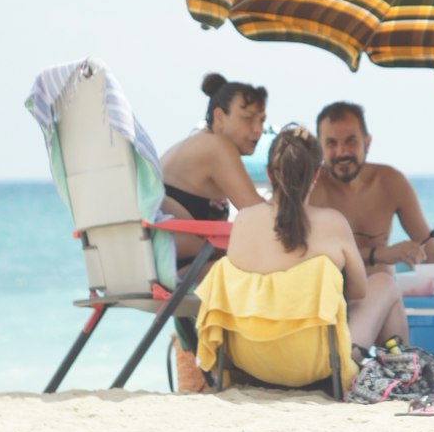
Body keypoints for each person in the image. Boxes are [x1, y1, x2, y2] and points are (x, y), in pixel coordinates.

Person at [196, 125, 406, 391]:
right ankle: (404, 374)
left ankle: (400, 373)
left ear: (270, 175)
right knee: (385, 284)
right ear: (316, 174)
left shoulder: (244, 219)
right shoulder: (333, 222)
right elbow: (358, 290)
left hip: (249, 362)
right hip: (317, 364)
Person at [311, 99, 434, 270]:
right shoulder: (311, 189)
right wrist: (379, 253)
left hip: (383, 291)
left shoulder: (391, 182)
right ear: (319, 148)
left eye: (351, 141)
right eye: (331, 143)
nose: (342, 152)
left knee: (384, 283)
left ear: (367, 142)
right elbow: (305, 256)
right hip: (329, 294)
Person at [161, 73, 268, 261]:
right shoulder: (217, 146)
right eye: (248, 119)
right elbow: (258, 213)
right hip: (187, 274)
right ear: (219, 117)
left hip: (175, 270)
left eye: (261, 120)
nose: (258, 129)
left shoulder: (193, 142)